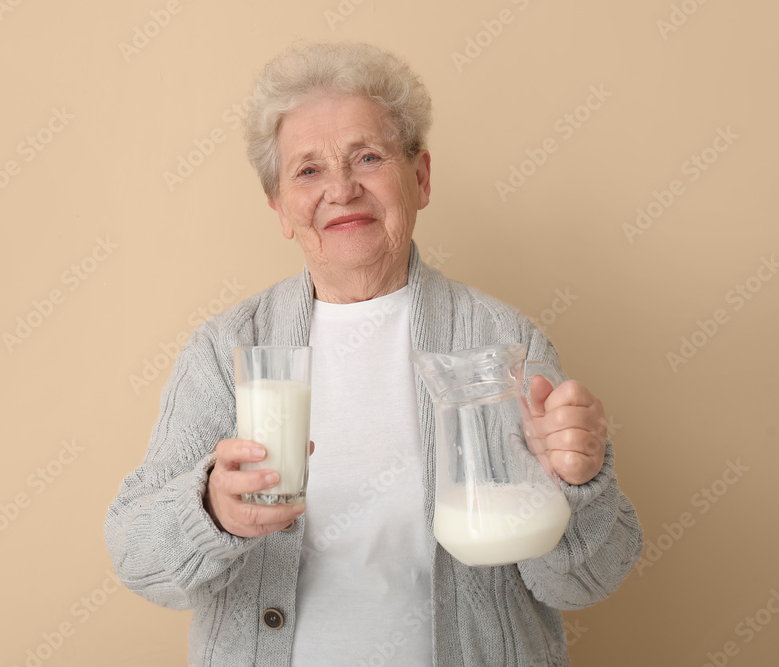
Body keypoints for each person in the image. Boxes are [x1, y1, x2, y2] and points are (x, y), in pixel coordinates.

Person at [106, 41, 642, 666]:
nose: (341, 188)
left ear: (420, 178)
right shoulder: (226, 351)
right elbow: (136, 556)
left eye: (368, 157)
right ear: (280, 208)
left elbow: (585, 582)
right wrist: (212, 511)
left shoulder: (503, 343)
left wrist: (579, 484)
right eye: (307, 170)